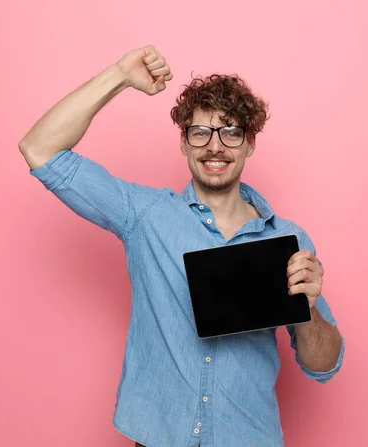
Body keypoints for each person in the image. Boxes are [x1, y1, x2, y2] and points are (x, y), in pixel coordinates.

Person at [19, 45, 345, 447]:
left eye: (230, 132)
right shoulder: (145, 216)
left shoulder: (287, 241)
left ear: (249, 144)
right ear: (184, 143)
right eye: (200, 132)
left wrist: (307, 309)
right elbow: (40, 149)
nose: (215, 146)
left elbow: (323, 366)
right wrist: (121, 74)